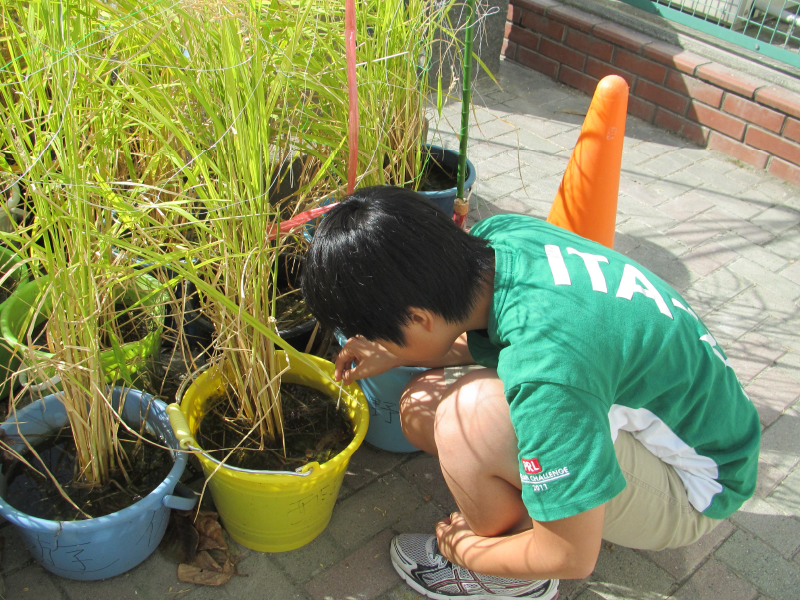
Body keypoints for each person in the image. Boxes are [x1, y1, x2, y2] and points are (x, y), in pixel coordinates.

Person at [300, 186, 760, 600]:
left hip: (694, 488)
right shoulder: (500, 240)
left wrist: (467, 550)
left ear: (420, 318)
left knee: (471, 418)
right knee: (422, 407)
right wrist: (400, 352)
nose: (376, 345)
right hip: (667, 414)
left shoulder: (549, 373)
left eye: (383, 335)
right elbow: (506, 337)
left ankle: (514, 580)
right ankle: (545, 506)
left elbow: (574, 556)